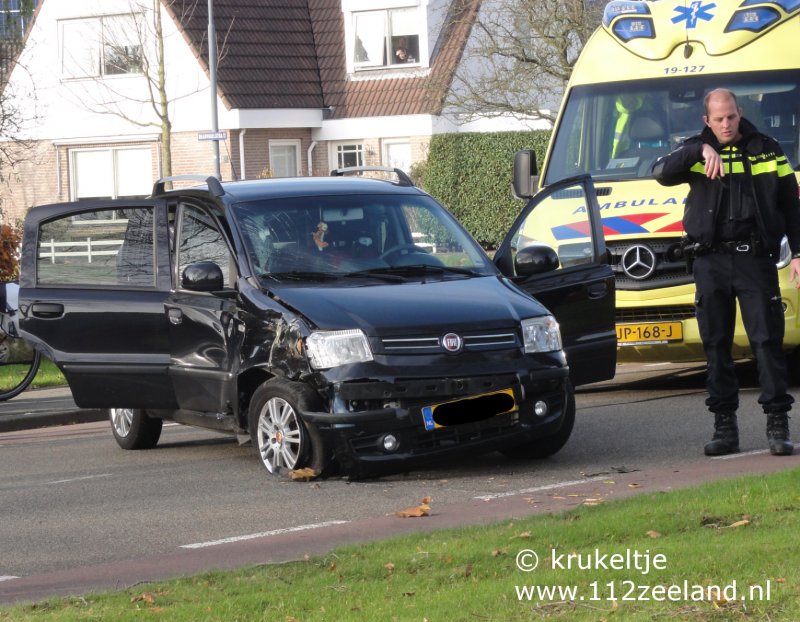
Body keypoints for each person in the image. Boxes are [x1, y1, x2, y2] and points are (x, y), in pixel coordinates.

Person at [652, 88, 800, 456]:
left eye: (731, 116)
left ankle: (777, 426)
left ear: (739, 112)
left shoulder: (766, 148)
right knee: (716, 345)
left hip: (755, 259)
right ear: (707, 120)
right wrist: (698, 150)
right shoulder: (694, 151)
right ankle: (724, 428)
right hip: (710, 261)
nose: (726, 124)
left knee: (766, 342)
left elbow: (791, 205)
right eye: (718, 119)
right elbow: (661, 172)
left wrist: (798, 252)